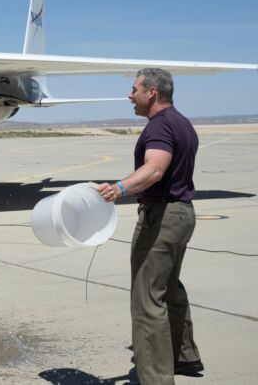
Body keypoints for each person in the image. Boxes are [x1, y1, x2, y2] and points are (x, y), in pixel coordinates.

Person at [96, 68, 203, 384]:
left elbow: (155, 169)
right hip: (182, 213)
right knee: (168, 286)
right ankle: (183, 355)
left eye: (134, 89)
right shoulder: (181, 122)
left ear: (152, 92)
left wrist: (120, 188)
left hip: (162, 216)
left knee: (147, 298)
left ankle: (155, 377)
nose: (130, 95)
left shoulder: (159, 126)